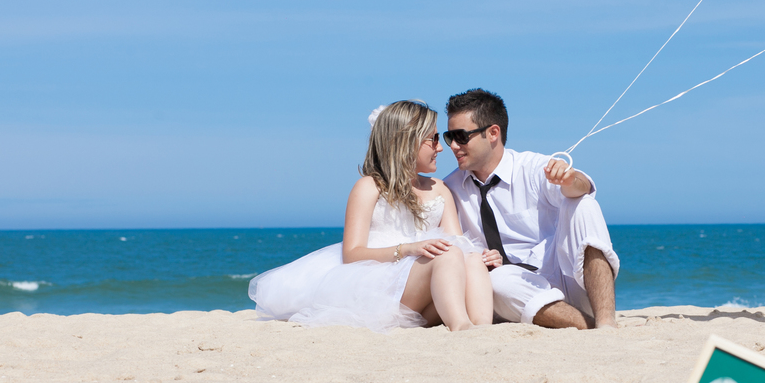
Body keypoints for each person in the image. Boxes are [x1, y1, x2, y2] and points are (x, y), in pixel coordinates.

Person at [249, 100, 496, 332]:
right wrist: (408, 249)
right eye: (432, 139)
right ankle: (461, 327)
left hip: (427, 290)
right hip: (384, 288)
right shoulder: (370, 187)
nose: (440, 147)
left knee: (471, 258)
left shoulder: (439, 188)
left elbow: (456, 241)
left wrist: (483, 255)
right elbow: (352, 254)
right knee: (448, 255)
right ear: (407, 142)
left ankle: (482, 328)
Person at [442, 88, 619, 329]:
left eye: (461, 136)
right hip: (516, 290)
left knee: (584, 204)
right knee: (497, 282)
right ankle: (589, 326)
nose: (453, 146)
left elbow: (582, 186)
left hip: (564, 277)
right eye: (448, 137)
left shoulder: (532, 168)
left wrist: (569, 179)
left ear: (493, 133)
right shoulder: (450, 188)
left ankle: (606, 322)